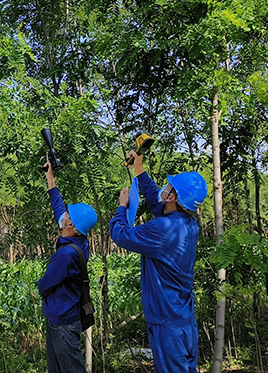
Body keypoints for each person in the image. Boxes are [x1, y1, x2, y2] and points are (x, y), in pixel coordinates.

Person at [109, 150, 208, 373]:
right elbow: (157, 202)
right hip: (184, 320)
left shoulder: (161, 229)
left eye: (167, 187)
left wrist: (122, 207)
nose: (163, 189)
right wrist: (139, 169)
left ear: (172, 197)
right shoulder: (189, 224)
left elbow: (121, 235)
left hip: (166, 323)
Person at [37, 161, 98, 373]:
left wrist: (40, 286)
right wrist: (50, 178)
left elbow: (45, 284)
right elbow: (58, 207)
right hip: (61, 317)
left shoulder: (66, 254)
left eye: (68, 219)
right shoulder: (79, 242)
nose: (64, 219)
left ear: (72, 227)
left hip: (62, 321)